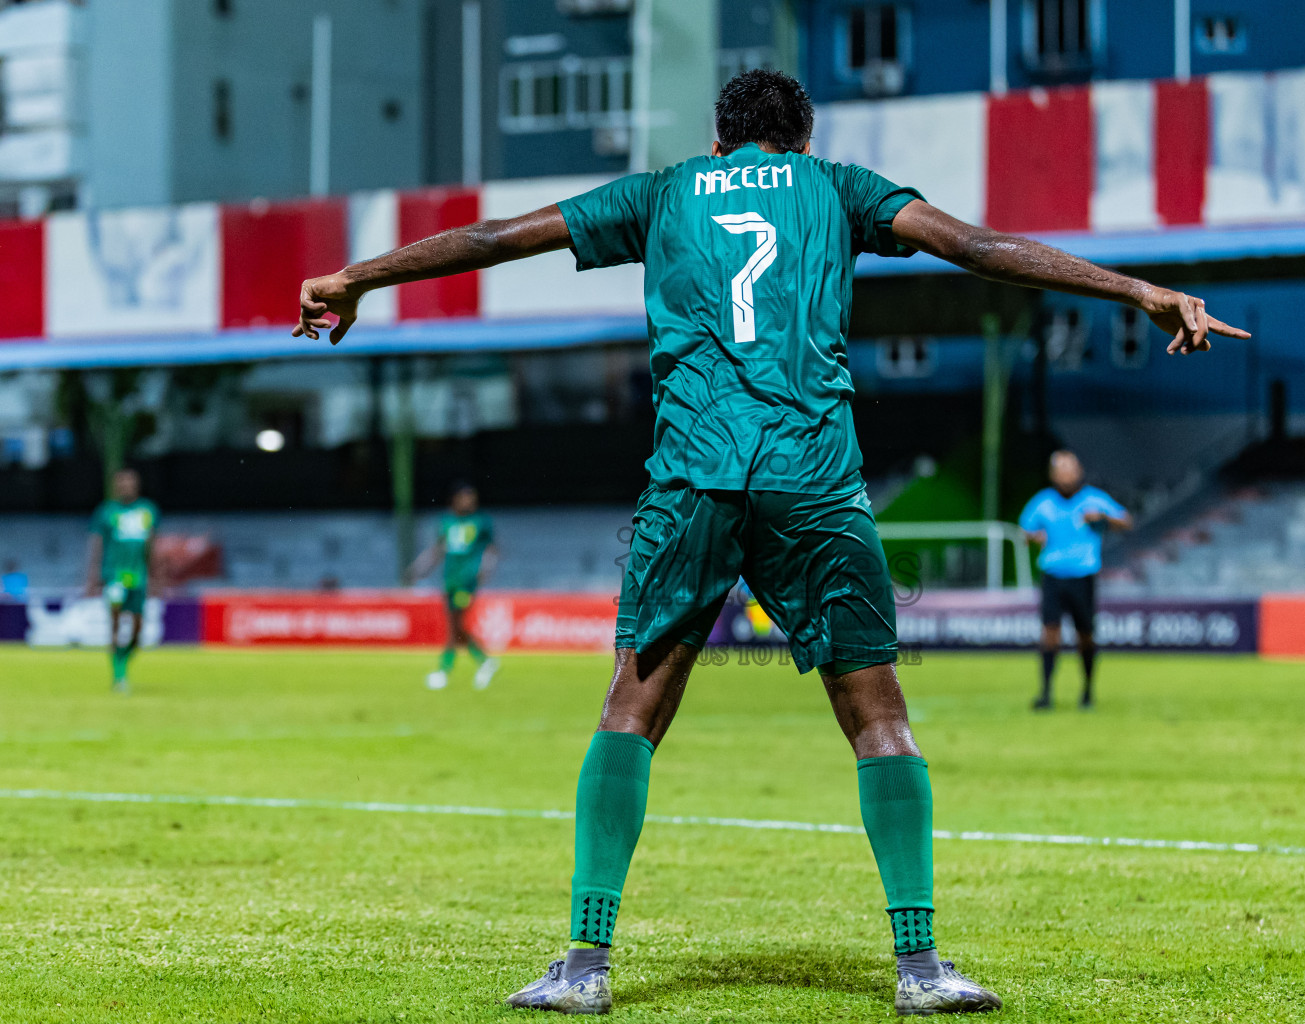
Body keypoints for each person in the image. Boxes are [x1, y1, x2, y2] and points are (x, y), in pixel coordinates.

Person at [292, 69, 1245, 1016]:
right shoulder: (837, 188)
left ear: (721, 139)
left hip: (694, 475)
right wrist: (1136, 291)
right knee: (879, 717)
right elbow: (978, 246)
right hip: (813, 476)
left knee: (631, 709)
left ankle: (584, 964)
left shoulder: (663, 192)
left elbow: (500, 239)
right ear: (799, 139)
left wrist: (357, 277)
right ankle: (920, 969)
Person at [1020, 451, 1133, 711]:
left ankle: (1087, 691)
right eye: (1061, 469)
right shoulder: (1043, 502)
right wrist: (1034, 537)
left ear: (1078, 471)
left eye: (1070, 469)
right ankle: (1046, 693)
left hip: (1083, 576)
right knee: (1050, 632)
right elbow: (1026, 531)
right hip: (1052, 575)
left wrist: (1103, 518)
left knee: (1085, 635)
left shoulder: (1093, 499)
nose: (1065, 474)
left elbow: (1126, 521)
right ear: (1053, 474)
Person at [409, 482, 500, 691]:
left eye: (472, 497)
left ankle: (444, 670)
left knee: (454, 626)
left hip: (466, 581)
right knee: (456, 628)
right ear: (455, 499)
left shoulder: (481, 521)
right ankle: (485, 661)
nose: (469, 501)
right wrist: (419, 569)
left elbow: (493, 549)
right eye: (465, 497)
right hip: (449, 580)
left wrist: (485, 570)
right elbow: (438, 550)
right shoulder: (446, 521)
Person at [84, 468, 159, 694]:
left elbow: (151, 546)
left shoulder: (148, 510)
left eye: (129, 482)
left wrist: (156, 576)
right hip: (114, 576)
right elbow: (96, 545)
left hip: (139, 577)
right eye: (121, 483)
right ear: (116, 487)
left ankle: (122, 661)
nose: (125, 486)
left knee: (138, 629)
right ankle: (119, 675)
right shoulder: (106, 511)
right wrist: (92, 577)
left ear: (136, 485)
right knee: (115, 623)